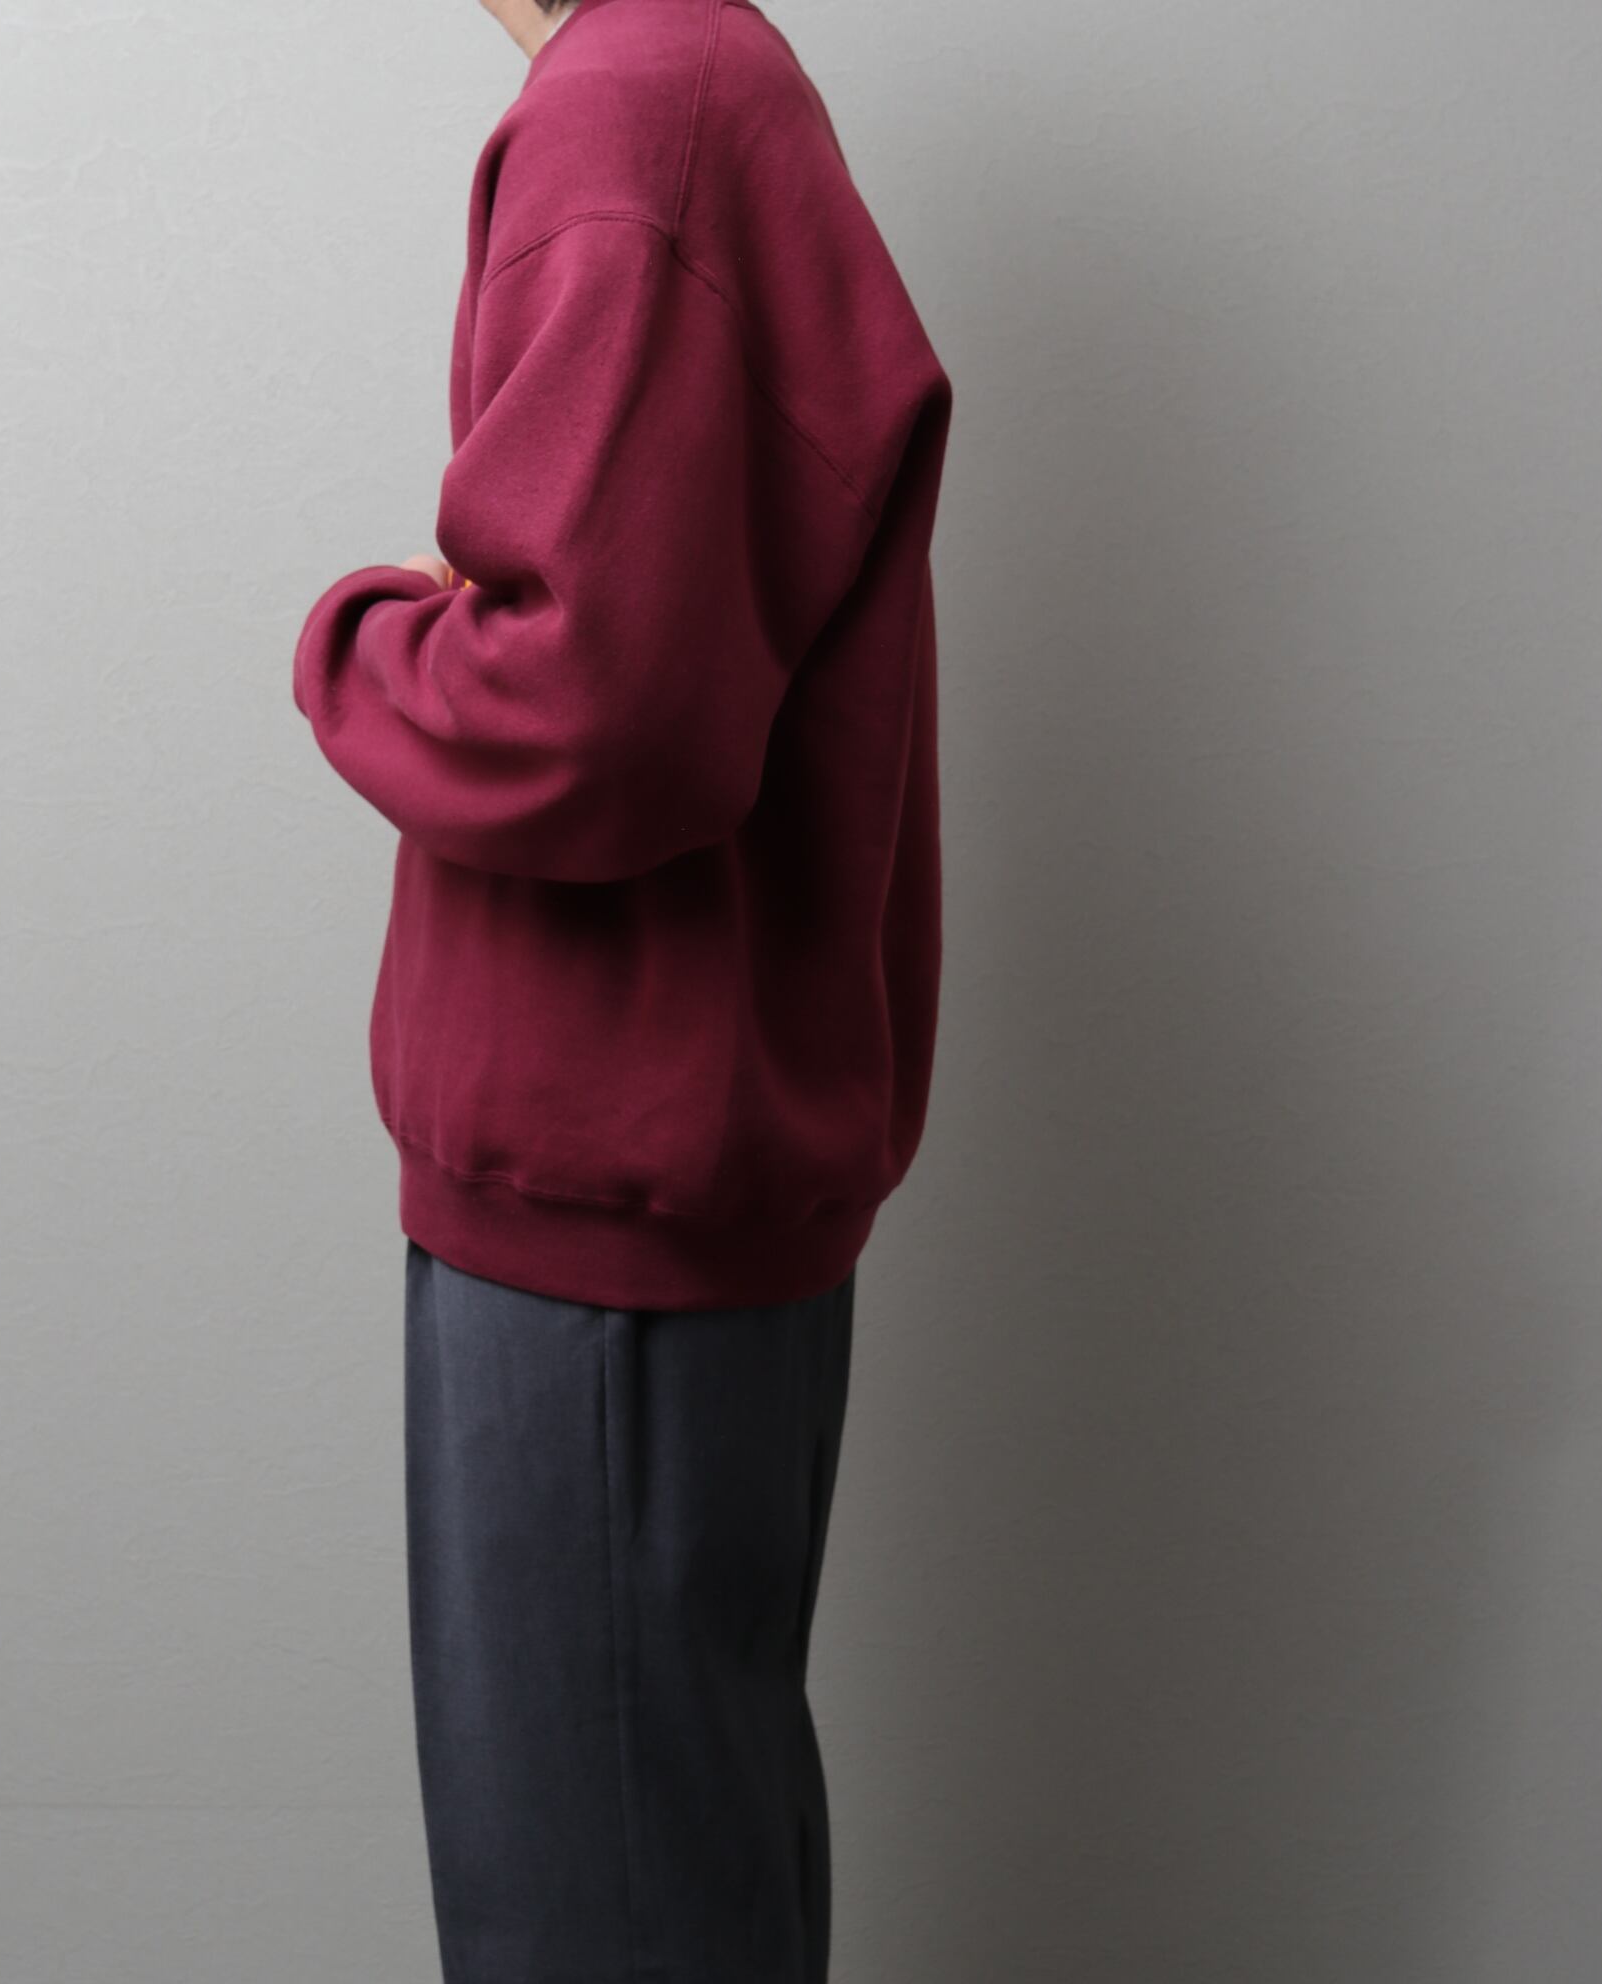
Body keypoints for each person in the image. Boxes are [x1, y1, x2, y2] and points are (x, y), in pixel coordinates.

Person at [292, 0, 952, 1976]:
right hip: (662, 1187)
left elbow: (598, 717)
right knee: (685, 1885)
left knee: (600, 1920)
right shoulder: (704, 87)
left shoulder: (637, 105)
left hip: (600, 1203)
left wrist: (355, 637)